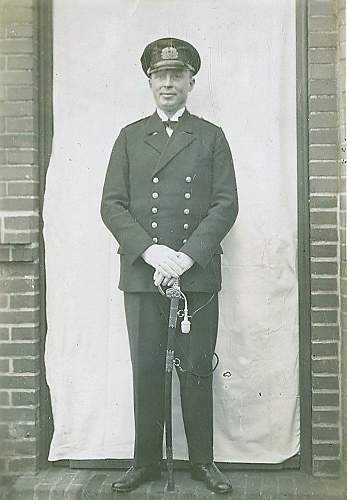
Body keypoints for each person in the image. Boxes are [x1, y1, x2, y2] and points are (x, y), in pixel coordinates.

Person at [100, 37, 238, 494]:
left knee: (196, 368)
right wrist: (152, 251)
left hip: (194, 275)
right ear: (149, 82)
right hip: (144, 275)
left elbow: (225, 204)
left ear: (191, 82)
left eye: (177, 75)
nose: (168, 83)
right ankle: (144, 463)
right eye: (161, 76)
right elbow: (113, 206)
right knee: (145, 368)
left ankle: (203, 462)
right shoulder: (129, 137)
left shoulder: (211, 136)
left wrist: (186, 255)